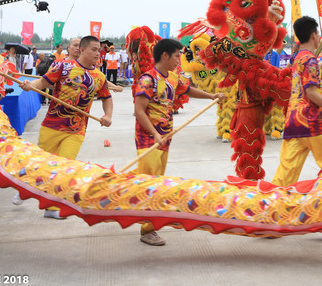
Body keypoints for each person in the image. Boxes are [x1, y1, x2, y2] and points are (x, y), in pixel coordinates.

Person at [134, 38, 226, 246]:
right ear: (165, 55)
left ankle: (148, 221)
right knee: (150, 185)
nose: (179, 60)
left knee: (156, 181)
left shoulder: (173, 77)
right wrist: (154, 134)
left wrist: (211, 95)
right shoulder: (149, 79)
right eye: (177, 56)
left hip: (164, 139)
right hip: (149, 140)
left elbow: (187, 90)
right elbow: (139, 111)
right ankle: (147, 229)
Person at [17, 36, 113, 218]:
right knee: (43, 166)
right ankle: (27, 186)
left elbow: (107, 98)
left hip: (76, 129)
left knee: (64, 168)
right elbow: (43, 82)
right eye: (94, 49)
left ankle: (52, 208)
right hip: (52, 125)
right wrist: (31, 85)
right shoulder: (62, 67)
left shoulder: (99, 77)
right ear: (82, 50)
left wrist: (107, 115)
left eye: (99, 50)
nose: (97, 53)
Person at [272, 16, 322, 188]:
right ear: (314, 35)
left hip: (293, 122)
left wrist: (320, 65)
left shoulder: (299, 58)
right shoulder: (310, 60)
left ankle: (272, 204)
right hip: (310, 122)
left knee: (285, 175)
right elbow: (311, 93)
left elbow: (305, 78)